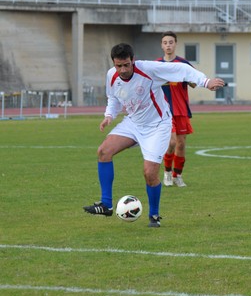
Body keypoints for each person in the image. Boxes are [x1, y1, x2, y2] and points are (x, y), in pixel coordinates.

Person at [83, 43, 225, 227]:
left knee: (150, 173)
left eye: (126, 65)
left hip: (157, 126)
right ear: (114, 63)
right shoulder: (112, 75)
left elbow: (181, 68)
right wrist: (109, 115)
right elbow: (114, 98)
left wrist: (205, 82)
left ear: (133, 60)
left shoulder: (148, 69)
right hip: (133, 123)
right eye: (119, 66)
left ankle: (154, 216)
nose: (123, 69)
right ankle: (106, 204)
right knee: (103, 152)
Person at [157, 31, 195, 187]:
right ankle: (166, 172)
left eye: (171, 42)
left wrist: (185, 77)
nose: (168, 45)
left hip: (181, 109)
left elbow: (194, 82)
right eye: (165, 42)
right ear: (162, 45)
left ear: (175, 44)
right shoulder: (157, 65)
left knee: (181, 144)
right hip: (165, 110)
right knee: (171, 142)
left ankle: (177, 175)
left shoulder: (183, 64)